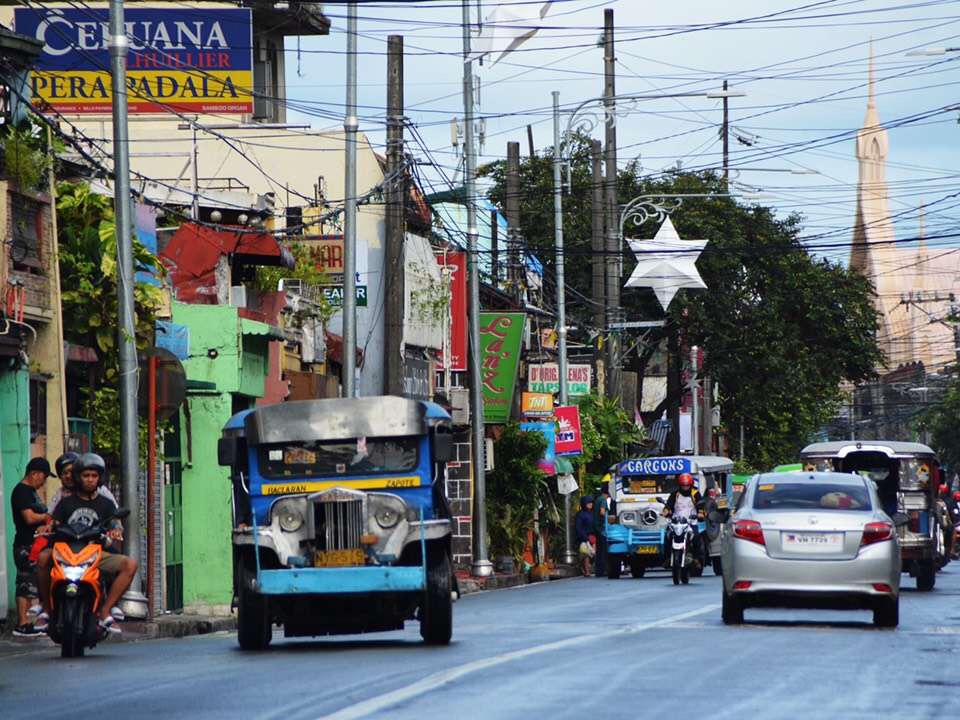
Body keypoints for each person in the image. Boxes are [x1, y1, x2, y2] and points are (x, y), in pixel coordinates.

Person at [36, 453, 137, 636]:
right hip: (65, 552)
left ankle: (106, 611)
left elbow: (115, 522)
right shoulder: (65, 503)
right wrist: (47, 527)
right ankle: (47, 610)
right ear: (78, 477)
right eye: (85, 476)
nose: (90, 480)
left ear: (99, 478)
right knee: (42, 557)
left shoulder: (106, 503)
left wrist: (116, 530)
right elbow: (53, 521)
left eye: (94, 476)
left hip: (95, 553)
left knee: (129, 564)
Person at [9, 458, 54, 637]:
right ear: (34, 473)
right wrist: (46, 517)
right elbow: (29, 518)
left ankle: (33, 622)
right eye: (43, 477)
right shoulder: (22, 491)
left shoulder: (30, 492)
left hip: (36, 543)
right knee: (25, 584)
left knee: (33, 582)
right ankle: (23, 624)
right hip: (25, 545)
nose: (44, 482)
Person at [48, 451, 117, 514]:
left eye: (71, 472)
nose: (68, 476)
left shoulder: (99, 490)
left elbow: (115, 514)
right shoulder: (61, 494)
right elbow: (50, 514)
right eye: (65, 473)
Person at [662, 473, 705, 564]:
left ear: (691, 484)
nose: (685, 487)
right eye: (683, 486)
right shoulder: (675, 494)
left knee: (697, 537)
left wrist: (700, 513)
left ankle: (697, 559)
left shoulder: (695, 493)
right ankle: (666, 559)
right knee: (667, 537)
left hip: (691, 522)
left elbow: (701, 505)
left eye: (687, 485)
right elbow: (669, 505)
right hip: (676, 522)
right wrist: (665, 511)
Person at [592, 482, 612, 577]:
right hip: (601, 528)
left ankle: (598, 571)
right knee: (604, 549)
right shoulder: (603, 500)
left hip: (596, 527)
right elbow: (602, 512)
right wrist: (609, 519)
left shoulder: (598, 499)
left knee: (599, 550)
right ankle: (604, 569)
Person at [575, 496, 595, 577]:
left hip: (593, 536)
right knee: (585, 554)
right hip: (584, 536)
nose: (590, 504)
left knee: (593, 553)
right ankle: (587, 571)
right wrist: (584, 537)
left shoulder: (592, 513)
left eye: (591, 503)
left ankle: (591, 568)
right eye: (588, 503)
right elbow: (578, 527)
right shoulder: (580, 515)